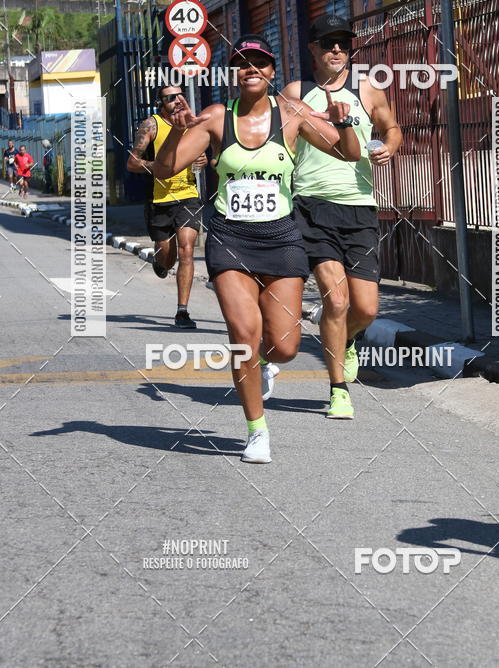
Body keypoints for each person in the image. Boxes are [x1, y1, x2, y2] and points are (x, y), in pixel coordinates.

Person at [153, 34, 361, 463]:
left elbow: (349, 154)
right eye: (243, 62)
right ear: (235, 72)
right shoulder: (214, 118)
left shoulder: (292, 115)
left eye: (260, 63)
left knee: (284, 346)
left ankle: (267, 364)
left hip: (282, 238)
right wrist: (176, 132)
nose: (251, 68)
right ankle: (256, 431)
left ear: (271, 72)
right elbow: (164, 169)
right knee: (244, 336)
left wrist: (343, 122)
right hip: (231, 238)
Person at [281, 14, 402, 419]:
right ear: (313, 48)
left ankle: (346, 340)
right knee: (335, 298)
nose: (337, 50)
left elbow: (392, 127)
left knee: (365, 309)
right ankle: (338, 389)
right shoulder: (296, 93)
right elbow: (279, 144)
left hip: (359, 206)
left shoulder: (367, 88)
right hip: (311, 205)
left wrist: (389, 146)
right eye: (329, 43)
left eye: (344, 44)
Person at [127, 83, 207, 329]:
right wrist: (159, 167)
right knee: (167, 257)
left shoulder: (194, 124)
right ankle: (160, 260)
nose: (176, 100)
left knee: (186, 250)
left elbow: (205, 155)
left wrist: (202, 159)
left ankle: (182, 311)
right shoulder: (151, 125)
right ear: (160, 103)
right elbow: (132, 163)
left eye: (180, 95)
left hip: (188, 196)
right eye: (169, 98)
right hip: (159, 199)